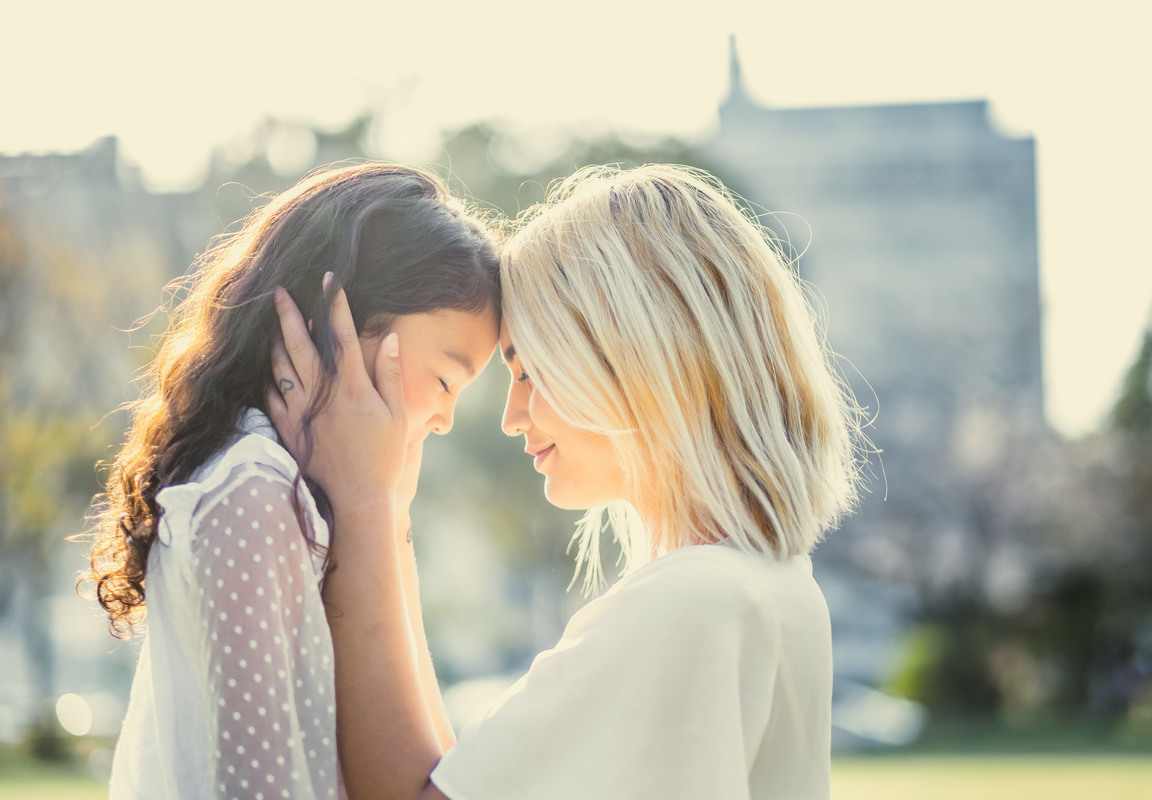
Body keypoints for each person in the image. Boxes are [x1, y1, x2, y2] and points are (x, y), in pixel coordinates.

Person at [268, 164, 865, 799]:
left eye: (530, 372)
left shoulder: (690, 603)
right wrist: (390, 518)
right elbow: (451, 782)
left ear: (630, 357)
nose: (512, 416)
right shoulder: (771, 585)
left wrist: (365, 506)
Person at [85, 162, 501, 800]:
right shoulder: (252, 491)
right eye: (446, 381)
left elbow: (427, 772)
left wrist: (384, 512)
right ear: (342, 319)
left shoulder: (311, 495)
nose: (444, 420)